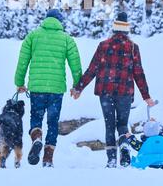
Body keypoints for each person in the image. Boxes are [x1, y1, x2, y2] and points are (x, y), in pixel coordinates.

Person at [71, 11, 155, 168]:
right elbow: (138, 73)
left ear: (114, 28)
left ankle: (111, 159)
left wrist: (79, 88)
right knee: (122, 124)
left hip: (106, 91)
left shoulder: (104, 46)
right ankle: (124, 146)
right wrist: (146, 96)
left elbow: (93, 68)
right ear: (126, 30)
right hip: (125, 93)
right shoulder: (132, 48)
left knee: (109, 125)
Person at [15, 9, 82, 167]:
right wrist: (76, 86)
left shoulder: (33, 36)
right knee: (53, 123)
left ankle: (37, 138)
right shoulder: (66, 39)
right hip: (56, 90)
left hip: (37, 88)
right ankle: (48, 159)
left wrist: (19, 82)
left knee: (36, 119)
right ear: (60, 22)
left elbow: (22, 61)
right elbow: (76, 66)